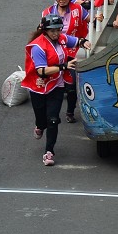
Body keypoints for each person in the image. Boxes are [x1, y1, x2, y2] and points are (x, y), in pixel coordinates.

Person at [21, 14, 87, 167]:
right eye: (52, 31)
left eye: (58, 30)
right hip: (39, 87)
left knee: (53, 119)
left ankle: (49, 151)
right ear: (45, 31)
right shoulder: (38, 46)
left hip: (57, 85)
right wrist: (63, 66)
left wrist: (85, 42)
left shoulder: (62, 38)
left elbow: (76, 41)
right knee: (42, 118)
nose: (56, 33)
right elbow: (41, 71)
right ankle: (39, 126)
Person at [42, 0, 92, 123]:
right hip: (52, 52)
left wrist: (97, 19)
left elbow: (90, 20)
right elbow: (41, 33)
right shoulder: (47, 12)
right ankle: (50, 113)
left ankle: (70, 111)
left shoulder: (78, 9)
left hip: (72, 51)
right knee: (50, 82)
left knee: (71, 86)